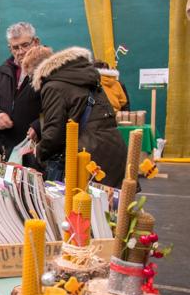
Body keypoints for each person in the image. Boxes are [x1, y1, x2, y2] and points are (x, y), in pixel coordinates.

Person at [31, 46, 127, 188]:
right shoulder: (85, 77)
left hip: (86, 158)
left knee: (81, 207)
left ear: (38, 72)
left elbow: (54, 133)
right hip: (113, 149)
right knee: (112, 206)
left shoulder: (52, 86)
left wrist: (39, 150)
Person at [0, 22, 42, 167]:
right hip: (6, 150)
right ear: (10, 48)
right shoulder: (4, 71)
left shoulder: (48, 70)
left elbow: (61, 108)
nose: (20, 52)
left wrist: (39, 126)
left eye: (25, 45)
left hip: (36, 152)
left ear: (36, 42)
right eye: (15, 47)